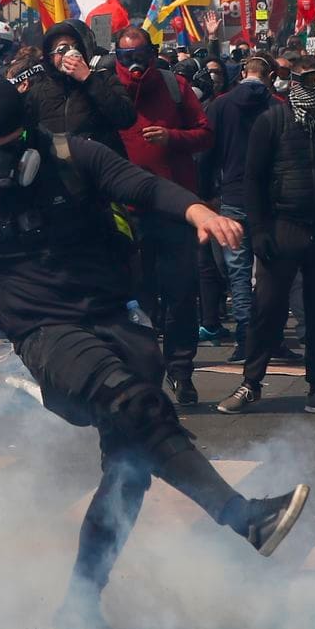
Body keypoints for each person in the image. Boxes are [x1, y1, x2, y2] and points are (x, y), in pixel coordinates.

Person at [0, 77, 310, 629]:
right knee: (139, 406)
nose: (0, 162)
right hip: (46, 336)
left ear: (30, 133)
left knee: (130, 466)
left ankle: (80, 605)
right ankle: (244, 517)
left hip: (115, 321)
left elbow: (145, 186)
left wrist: (198, 209)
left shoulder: (75, 157)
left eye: (10, 145)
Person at [216, 55, 315, 416]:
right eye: (308, 80)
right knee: (267, 309)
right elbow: (251, 180)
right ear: (294, 82)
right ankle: (250, 384)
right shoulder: (272, 121)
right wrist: (259, 231)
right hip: (283, 227)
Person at [113, 27, 214, 405]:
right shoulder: (108, 91)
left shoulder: (175, 86)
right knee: (137, 300)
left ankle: (181, 372)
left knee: (181, 295)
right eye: (126, 58)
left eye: (140, 55)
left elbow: (205, 133)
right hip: (128, 213)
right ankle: (142, 373)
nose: (135, 65)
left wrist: (173, 137)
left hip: (174, 210)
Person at [199, 54, 276, 360]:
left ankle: (246, 336)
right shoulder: (277, 106)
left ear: (243, 72)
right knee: (269, 270)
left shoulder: (220, 105)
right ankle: (269, 335)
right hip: (268, 198)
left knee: (238, 272)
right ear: (268, 75)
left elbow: (207, 152)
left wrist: (206, 192)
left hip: (231, 195)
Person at [23, 18, 134, 158]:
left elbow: (126, 118)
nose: (70, 53)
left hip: (99, 168)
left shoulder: (104, 78)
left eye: (76, 47)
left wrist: (88, 79)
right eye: (62, 49)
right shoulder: (38, 92)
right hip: (58, 174)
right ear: (51, 58)